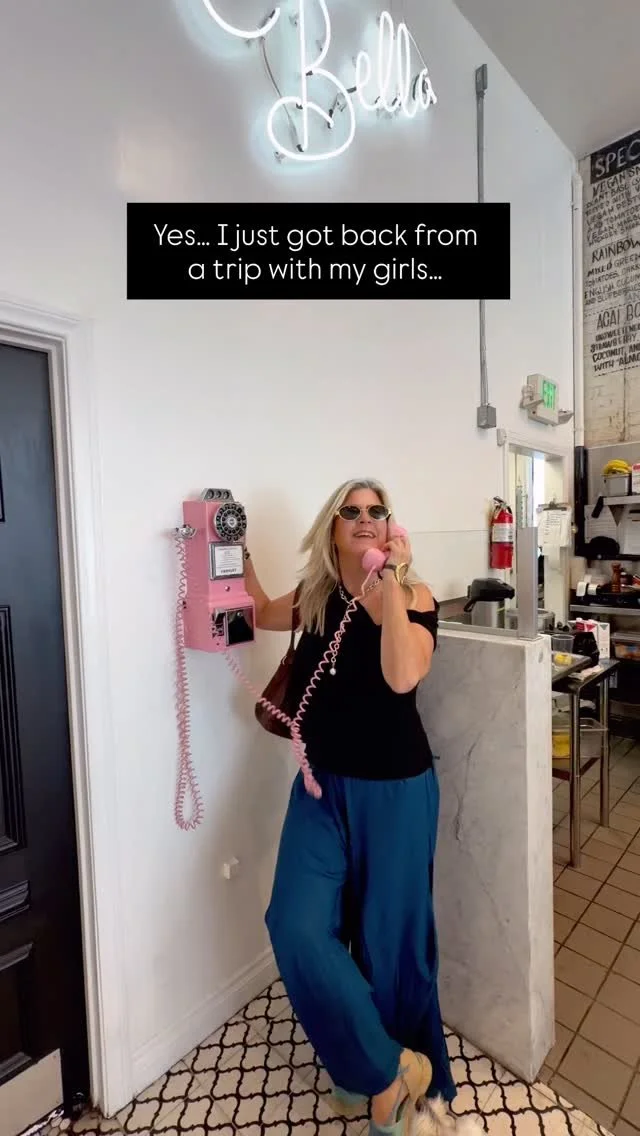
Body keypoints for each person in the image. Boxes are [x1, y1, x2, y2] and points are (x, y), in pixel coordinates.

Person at [243, 478, 456, 1136]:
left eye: (377, 511)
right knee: (296, 924)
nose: (365, 519)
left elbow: (402, 674)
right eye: (352, 511)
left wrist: (387, 580)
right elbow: (258, 611)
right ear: (332, 527)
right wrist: (232, 549)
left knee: (390, 942)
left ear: (390, 527)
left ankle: (393, 1091)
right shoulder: (314, 597)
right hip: (320, 788)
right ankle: (386, 1067)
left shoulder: (413, 596)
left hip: (395, 792)